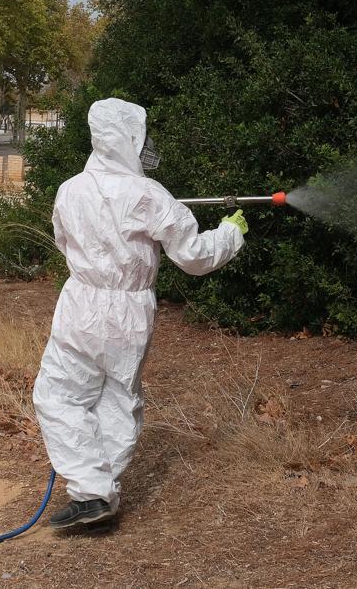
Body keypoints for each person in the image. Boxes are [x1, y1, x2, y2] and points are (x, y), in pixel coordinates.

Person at [33, 98, 248, 529]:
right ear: (129, 138)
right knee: (116, 399)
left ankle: (92, 491)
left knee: (57, 395)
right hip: (129, 309)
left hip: (80, 304)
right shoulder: (149, 195)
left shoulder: (69, 189)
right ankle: (97, 491)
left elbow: (63, 241)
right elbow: (194, 255)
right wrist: (229, 233)